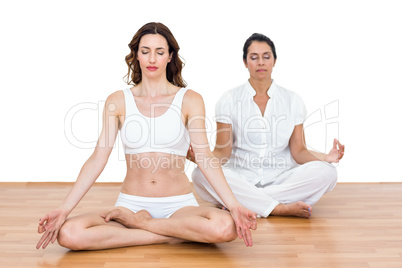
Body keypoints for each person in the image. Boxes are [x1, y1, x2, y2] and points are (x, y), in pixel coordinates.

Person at [36, 22, 257, 251]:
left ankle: (145, 226)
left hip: (179, 206)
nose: (152, 59)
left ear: (170, 56)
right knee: (70, 234)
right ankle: (170, 234)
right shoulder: (117, 101)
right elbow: (97, 159)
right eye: (145, 51)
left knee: (224, 227)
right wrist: (64, 209)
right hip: (130, 206)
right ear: (136, 55)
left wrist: (233, 205)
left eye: (160, 52)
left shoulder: (190, 99)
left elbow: (205, 157)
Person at [190, 33, 345, 218]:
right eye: (254, 57)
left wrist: (325, 156)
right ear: (245, 62)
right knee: (199, 173)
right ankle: (279, 207)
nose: (260, 62)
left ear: (274, 60)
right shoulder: (229, 100)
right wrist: (200, 158)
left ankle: (243, 203)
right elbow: (223, 153)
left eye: (266, 56)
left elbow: (299, 151)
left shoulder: (292, 100)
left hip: (280, 179)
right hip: (241, 179)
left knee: (328, 173)